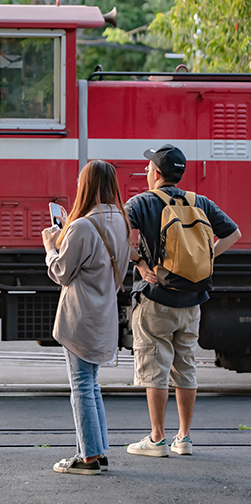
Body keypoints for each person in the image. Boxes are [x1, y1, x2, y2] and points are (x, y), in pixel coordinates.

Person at [125, 144, 241, 457]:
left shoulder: (143, 202)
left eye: (150, 167)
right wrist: (206, 257)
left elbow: (116, 230)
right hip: (192, 300)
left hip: (156, 299)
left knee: (155, 367)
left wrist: (138, 261)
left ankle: (157, 439)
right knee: (186, 367)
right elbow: (233, 234)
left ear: (156, 173)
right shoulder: (199, 201)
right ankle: (185, 437)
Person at [42, 160, 131, 475]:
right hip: (103, 313)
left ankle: (89, 457)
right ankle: (98, 451)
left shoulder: (81, 226)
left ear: (86, 186)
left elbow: (61, 273)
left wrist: (50, 246)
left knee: (80, 383)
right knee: (91, 383)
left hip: (79, 316)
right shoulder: (121, 221)